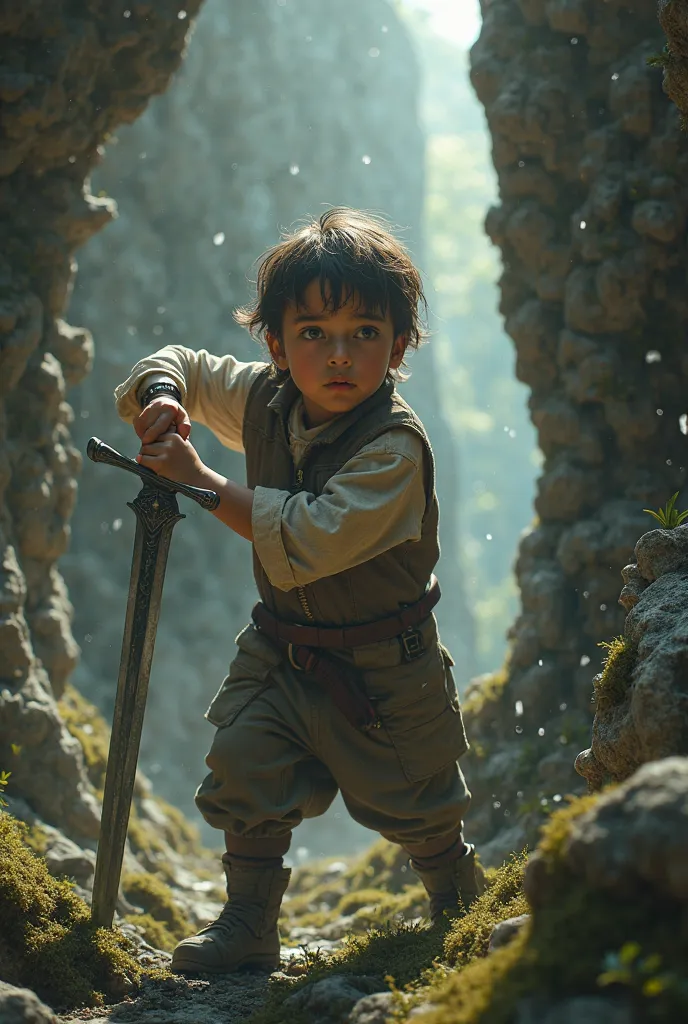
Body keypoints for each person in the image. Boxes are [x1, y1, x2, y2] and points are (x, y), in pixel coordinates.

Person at [114, 207, 484, 975]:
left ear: (399, 344)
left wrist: (202, 480)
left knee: (419, 803)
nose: (338, 354)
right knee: (245, 764)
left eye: (365, 333)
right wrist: (163, 395)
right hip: (282, 649)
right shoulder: (264, 400)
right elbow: (182, 361)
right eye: (313, 332)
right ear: (277, 344)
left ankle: (456, 898)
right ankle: (249, 919)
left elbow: (310, 537)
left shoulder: (394, 449)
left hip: (388, 663)